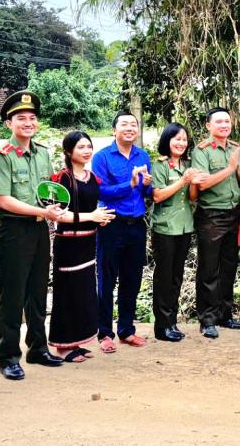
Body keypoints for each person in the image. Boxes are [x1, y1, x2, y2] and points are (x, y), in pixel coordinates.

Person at [0, 90, 65, 380]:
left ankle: (38, 347)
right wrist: (45, 213)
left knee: (37, 292)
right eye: (21, 118)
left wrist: (53, 208)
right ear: (9, 124)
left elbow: (46, 192)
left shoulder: (43, 153)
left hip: (38, 230)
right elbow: (3, 201)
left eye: (32, 118)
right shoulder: (2, 157)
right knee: (12, 295)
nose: (28, 123)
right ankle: (8, 355)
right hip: (13, 232)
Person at [49, 131, 115, 363]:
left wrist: (101, 218)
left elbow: (92, 210)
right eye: (80, 147)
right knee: (67, 292)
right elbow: (58, 215)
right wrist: (92, 216)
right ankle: (62, 346)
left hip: (88, 241)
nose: (86, 151)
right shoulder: (63, 179)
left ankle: (77, 342)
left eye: (89, 146)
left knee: (84, 292)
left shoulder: (92, 177)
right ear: (69, 151)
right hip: (68, 244)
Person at [190, 107, 240, 338]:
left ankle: (225, 315)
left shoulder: (236, 148)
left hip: (233, 213)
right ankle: (207, 319)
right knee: (209, 269)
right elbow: (202, 184)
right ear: (209, 126)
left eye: (227, 121)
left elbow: (236, 181)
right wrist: (230, 168)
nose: (224, 125)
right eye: (219, 121)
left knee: (229, 267)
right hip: (211, 215)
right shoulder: (202, 150)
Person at [91, 111, 153, 352]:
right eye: (124, 124)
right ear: (114, 130)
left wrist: (146, 186)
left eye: (133, 124)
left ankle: (126, 330)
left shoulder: (143, 155)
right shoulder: (102, 157)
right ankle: (104, 332)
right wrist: (131, 184)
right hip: (111, 223)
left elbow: (146, 194)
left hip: (136, 225)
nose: (130, 128)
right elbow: (101, 192)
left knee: (132, 280)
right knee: (106, 280)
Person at [150, 123, 200, 342]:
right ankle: (161, 326)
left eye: (184, 139)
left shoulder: (188, 164)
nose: (181, 143)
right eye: (176, 139)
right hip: (165, 228)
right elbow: (158, 196)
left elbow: (192, 197)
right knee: (164, 277)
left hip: (185, 226)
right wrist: (183, 180)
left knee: (177, 276)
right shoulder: (160, 165)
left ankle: (172, 322)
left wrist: (193, 183)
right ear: (167, 141)